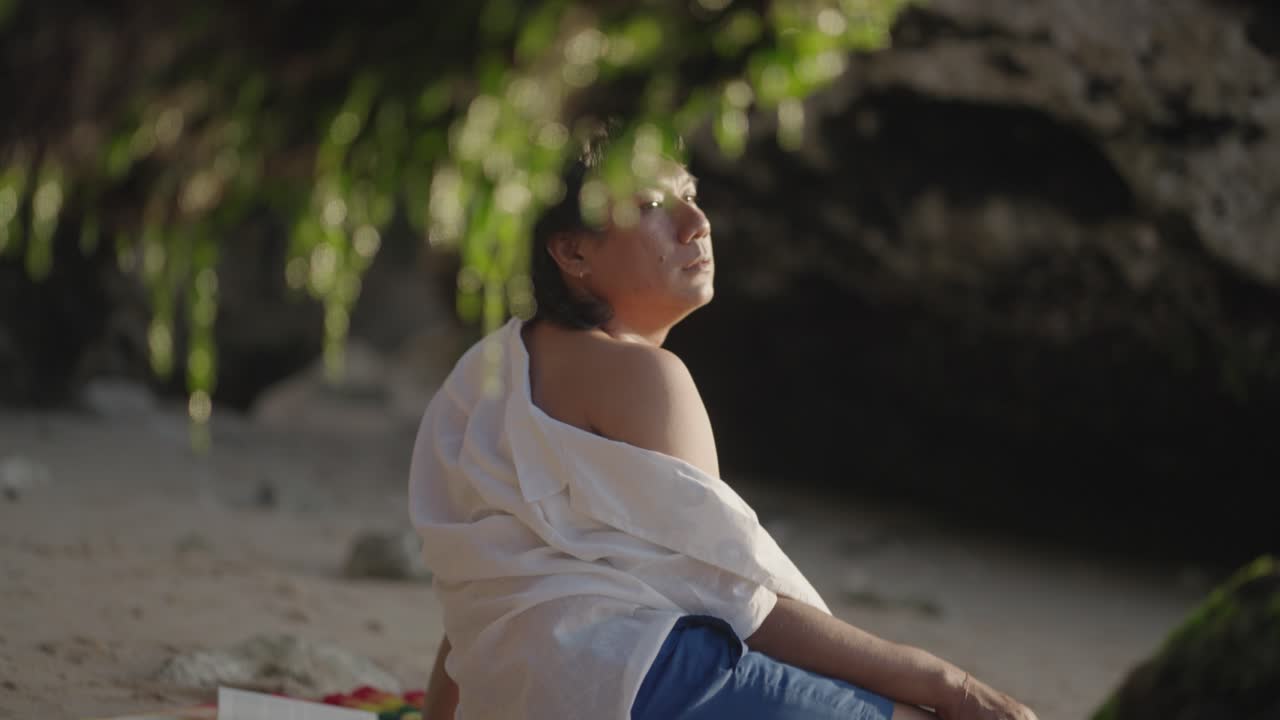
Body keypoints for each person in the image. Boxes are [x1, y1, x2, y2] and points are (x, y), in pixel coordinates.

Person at [407, 126, 1039, 720]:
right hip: (634, 678)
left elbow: (478, 584)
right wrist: (947, 684)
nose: (697, 223)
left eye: (691, 196)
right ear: (572, 250)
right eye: (654, 204)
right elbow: (742, 606)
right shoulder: (646, 376)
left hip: (521, 690)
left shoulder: (486, 369)